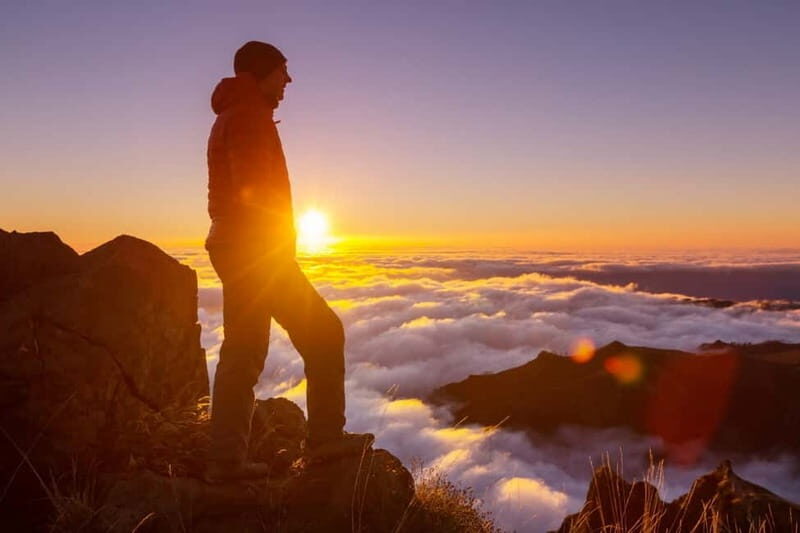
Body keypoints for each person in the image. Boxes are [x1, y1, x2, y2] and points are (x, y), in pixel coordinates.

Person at [203, 41, 373, 482]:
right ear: (261, 73)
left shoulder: (235, 114)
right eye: (283, 71)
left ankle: (224, 462)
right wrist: (274, 250)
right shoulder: (248, 118)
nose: (288, 80)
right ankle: (324, 442)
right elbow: (254, 191)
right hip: (255, 249)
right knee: (323, 332)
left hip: (233, 244)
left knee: (243, 350)